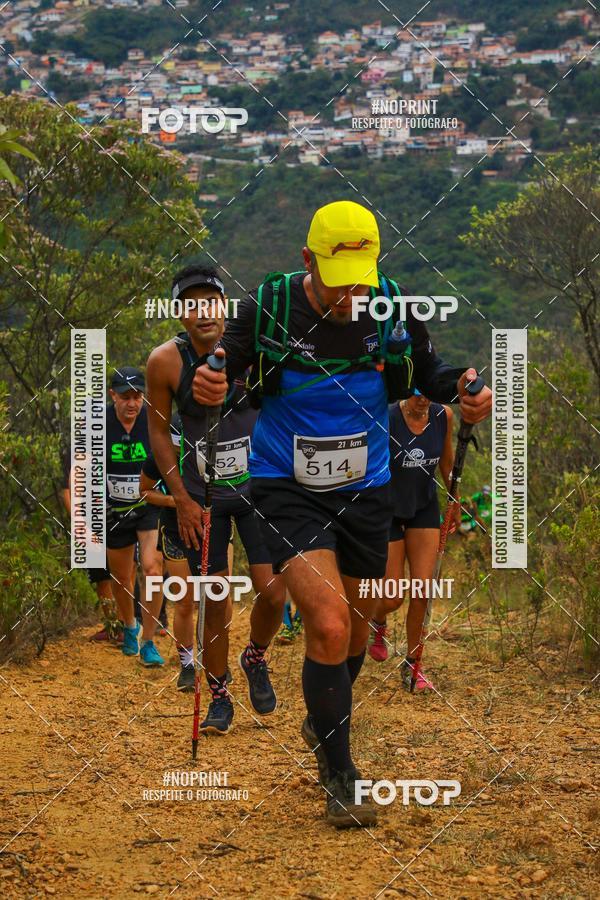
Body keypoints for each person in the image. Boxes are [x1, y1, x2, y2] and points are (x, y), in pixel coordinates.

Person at [190, 200, 492, 827]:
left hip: (366, 487)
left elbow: (425, 374)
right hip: (284, 483)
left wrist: (464, 388)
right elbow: (221, 374)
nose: (353, 295)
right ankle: (340, 772)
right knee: (327, 624)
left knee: (360, 625)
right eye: (338, 281)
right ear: (308, 261)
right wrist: (210, 384)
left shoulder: (392, 307)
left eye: (362, 280)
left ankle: (322, 716)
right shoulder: (269, 307)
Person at [146, 266, 286, 735]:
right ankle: (221, 693)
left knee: (274, 591)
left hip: (259, 486)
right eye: (191, 303)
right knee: (217, 599)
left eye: (211, 301)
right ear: (180, 313)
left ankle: (255, 656)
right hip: (204, 499)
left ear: (224, 305)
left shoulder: (254, 350)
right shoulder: (166, 362)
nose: (203, 311)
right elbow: (158, 431)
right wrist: (181, 500)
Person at [367, 389, 460, 690]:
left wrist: (454, 501)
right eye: (418, 393)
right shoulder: (388, 416)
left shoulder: (443, 416)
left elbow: (447, 464)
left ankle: (413, 665)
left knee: (422, 590)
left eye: (430, 394)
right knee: (393, 596)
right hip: (389, 510)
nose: (424, 399)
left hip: (424, 508)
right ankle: (377, 622)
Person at [105, 367, 164, 666]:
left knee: (152, 570)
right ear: (112, 395)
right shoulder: (99, 424)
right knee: (122, 576)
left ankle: (149, 641)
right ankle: (129, 625)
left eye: (138, 396)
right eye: (126, 397)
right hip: (115, 509)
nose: (132, 403)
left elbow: (170, 456)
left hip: (148, 505)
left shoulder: (153, 419)